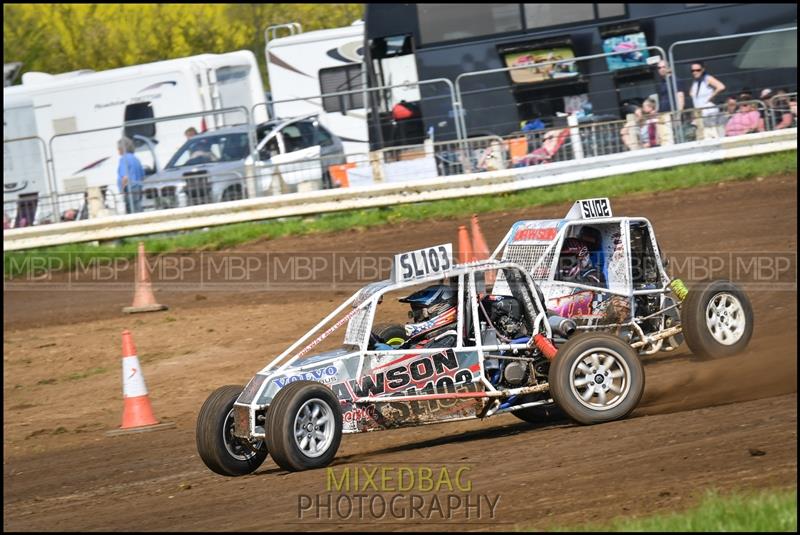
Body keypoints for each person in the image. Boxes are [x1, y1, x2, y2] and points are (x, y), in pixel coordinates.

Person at [687, 62, 726, 139]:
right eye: (693, 70)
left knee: (712, 134)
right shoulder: (695, 82)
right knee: (703, 135)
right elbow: (691, 93)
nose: (695, 72)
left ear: (702, 70)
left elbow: (721, 86)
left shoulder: (707, 78)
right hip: (699, 112)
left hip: (708, 110)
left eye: (697, 70)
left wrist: (711, 97)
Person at [117, 137, 145, 214]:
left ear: (122, 148)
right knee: (138, 208)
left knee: (132, 211)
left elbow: (124, 177)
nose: (117, 150)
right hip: (139, 188)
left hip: (130, 189)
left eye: (118, 148)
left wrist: (122, 190)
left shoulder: (124, 159)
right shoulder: (136, 159)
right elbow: (142, 176)